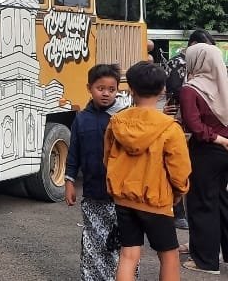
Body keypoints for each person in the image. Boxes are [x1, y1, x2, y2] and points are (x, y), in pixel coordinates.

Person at [105, 61, 191, 281]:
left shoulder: (116, 122)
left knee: (128, 255)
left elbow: (107, 160)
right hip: (157, 200)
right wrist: (180, 191)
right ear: (162, 89)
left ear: (131, 88)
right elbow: (180, 170)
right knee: (169, 256)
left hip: (124, 199)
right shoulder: (170, 128)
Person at [64, 64, 131, 281]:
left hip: (120, 196)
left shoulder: (123, 117)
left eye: (111, 89)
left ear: (117, 90)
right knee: (93, 241)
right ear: (89, 88)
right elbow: (73, 151)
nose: (106, 93)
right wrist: (69, 181)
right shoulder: (81, 118)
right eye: (100, 88)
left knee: (119, 242)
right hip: (92, 194)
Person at [179, 42, 228, 274]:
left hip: (206, 152)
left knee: (202, 205)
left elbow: (194, 127)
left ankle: (205, 261)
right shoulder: (224, 84)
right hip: (226, 152)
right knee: (222, 202)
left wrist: (216, 138)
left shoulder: (191, 89)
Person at [162, 29, 215, 230]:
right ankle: (178, 212)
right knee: (178, 166)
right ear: (193, 45)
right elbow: (176, 92)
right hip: (181, 121)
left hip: (198, 123)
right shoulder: (178, 63)